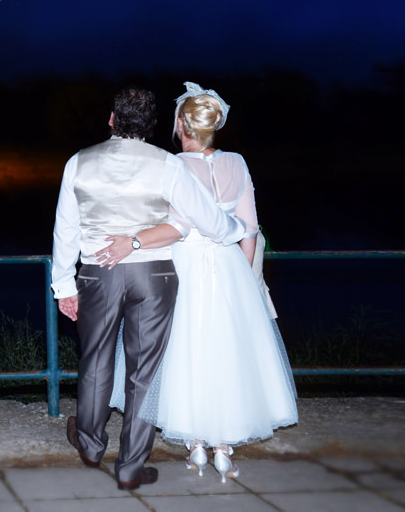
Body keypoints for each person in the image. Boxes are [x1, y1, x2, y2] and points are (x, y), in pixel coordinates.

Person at [51, 87, 246, 491]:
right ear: (152, 127)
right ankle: (130, 466)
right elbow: (205, 217)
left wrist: (64, 285)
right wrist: (237, 229)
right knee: (144, 372)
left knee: (95, 361)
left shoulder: (78, 162)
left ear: (111, 120)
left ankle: (90, 444)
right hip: (153, 276)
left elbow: (65, 229)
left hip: (98, 274)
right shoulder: (166, 164)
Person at [104, 83, 297, 482]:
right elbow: (250, 230)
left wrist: (134, 240)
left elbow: (176, 227)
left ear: (181, 125)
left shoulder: (174, 165)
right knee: (226, 352)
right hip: (229, 266)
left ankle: (195, 446)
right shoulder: (238, 163)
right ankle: (224, 449)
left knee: (186, 350)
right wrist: (243, 278)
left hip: (185, 265)